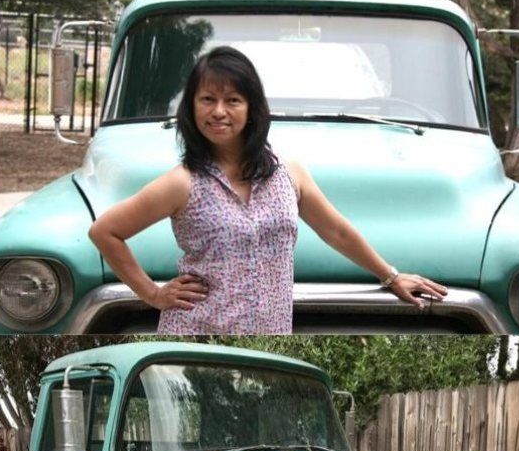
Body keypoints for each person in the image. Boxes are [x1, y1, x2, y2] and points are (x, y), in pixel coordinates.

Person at [89, 46, 447, 334]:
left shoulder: (289, 174)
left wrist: (391, 276)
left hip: (271, 337)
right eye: (207, 99)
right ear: (191, 107)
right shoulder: (182, 182)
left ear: (251, 108)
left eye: (232, 100)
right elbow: (105, 231)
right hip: (197, 332)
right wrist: (152, 293)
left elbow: (336, 231)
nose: (219, 111)